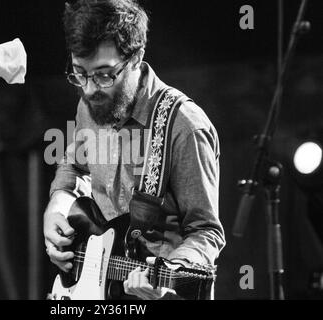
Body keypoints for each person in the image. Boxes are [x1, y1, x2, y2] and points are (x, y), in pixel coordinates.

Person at [43, 0, 225, 300]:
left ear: (136, 58)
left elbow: (207, 232)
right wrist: (57, 205)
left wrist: (168, 274)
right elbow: (72, 164)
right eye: (79, 73)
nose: (89, 89)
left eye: (104, 74)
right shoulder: (90, 105)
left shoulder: (185, 127)